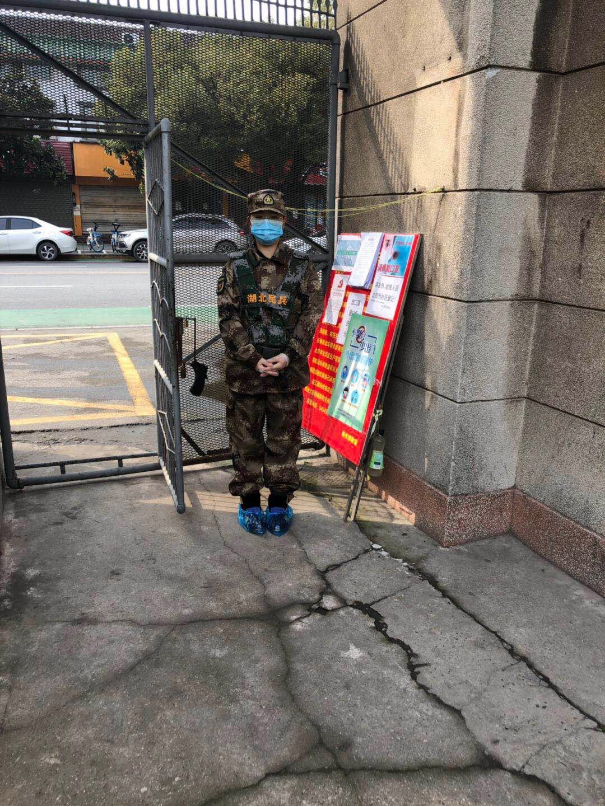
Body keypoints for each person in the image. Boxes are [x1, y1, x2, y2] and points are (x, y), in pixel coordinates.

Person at [217, 189, 323, 536]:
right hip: (246, 376)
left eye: (273, 217)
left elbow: (311, 315)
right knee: (245, 442)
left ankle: (279, 503)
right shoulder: (235, 266)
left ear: (284, 221)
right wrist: (252, 357)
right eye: (260, 217)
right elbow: (228, 316)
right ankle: (249, 504)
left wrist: (289, 354)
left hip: (286, 376)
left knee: (284, 442)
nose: (267, 223)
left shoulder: (302, 267)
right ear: (249, 221)